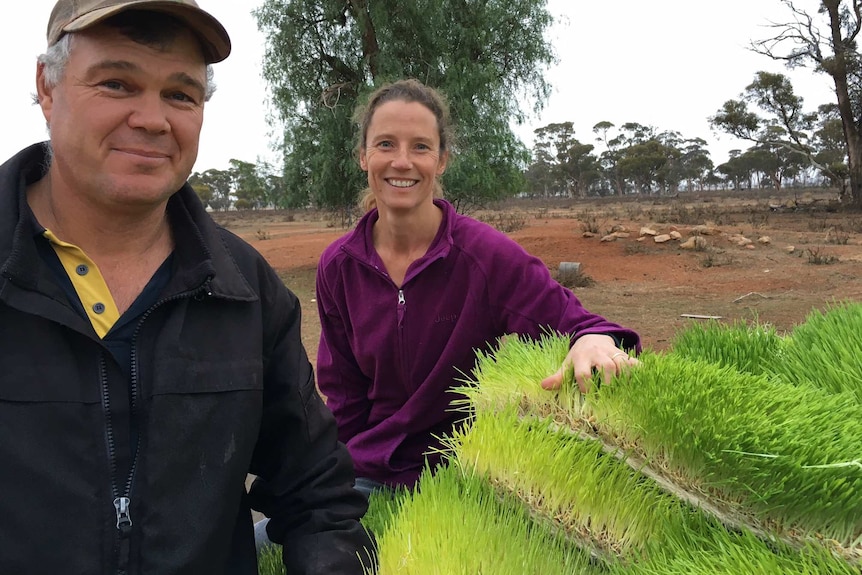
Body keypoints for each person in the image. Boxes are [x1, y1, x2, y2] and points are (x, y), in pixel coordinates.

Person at [0, 1, 373, 573]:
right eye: (117, 82)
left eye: (180, 94)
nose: (153, 119)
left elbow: (317, 497)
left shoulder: (245, 291)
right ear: (46, 87)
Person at [315, 78, 642, 495]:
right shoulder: (338, 267)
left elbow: (574, 321)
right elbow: (344, 395)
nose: (402, 161)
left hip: (467, 468)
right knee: (266, 546)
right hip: (371, 471)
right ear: (363, 157)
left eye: (420, 146)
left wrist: (593, 340)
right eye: (385, 144)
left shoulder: (484, 255)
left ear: (442, 160)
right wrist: (332, 481)